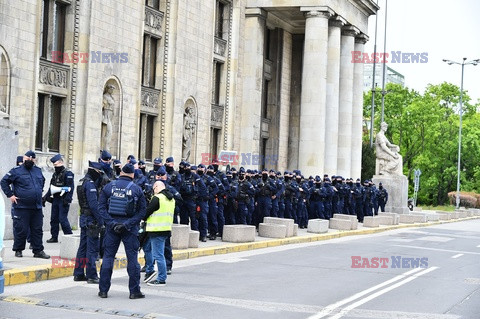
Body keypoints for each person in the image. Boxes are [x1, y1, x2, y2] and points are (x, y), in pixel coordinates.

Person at [97, 163, 146, 299]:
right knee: (132, 259)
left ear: (121, 172)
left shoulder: (109, 187)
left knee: (108, 257)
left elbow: (100, 208)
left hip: (112, 228)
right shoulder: (136, 189)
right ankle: (134, 291)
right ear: (132, 175)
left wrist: (112, 223)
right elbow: (142, 211)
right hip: (129, 228)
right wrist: (127, 224)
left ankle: (103, 290)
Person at [0, 151, 50, 259]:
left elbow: (43, 181)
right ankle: (18, 249)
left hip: (36, 207)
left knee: (37, 229)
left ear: (34, 160)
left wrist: (38, 192)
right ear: (24, 159)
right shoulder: (16, 171)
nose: (30, 161)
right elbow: (4, 182)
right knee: (21, 229)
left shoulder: (37, 170)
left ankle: (38, 251)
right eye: (28, 159)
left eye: (32, 160)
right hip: (21, 206)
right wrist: (10, 195)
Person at [73, 161, 105, 283]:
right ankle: (91, 275)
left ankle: (79, 273)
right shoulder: (90, 184)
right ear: (95, 171)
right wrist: (100, 220)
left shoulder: (81, 181)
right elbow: (94, 205)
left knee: (83, 247)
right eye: (99, 173)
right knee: (92, 248)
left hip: (84, 217)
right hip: (91, 219)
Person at [144, 181, 175, 286]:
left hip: (156, 230)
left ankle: (161, 278)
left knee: (158, 255)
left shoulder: (157, 198)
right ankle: (152, 272)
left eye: (154, 189)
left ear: (156, 187)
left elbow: (147, 212)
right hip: (166, 229)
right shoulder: (171, 199)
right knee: (153, 251)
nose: (153, 191)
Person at [43, 154, 74, 243]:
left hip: (63, 199)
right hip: (56, 199)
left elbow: (70, 187)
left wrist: (67, 199)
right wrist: (46, 197)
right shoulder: (55, 174)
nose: (55, 167)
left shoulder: (68, 173)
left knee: (62, 219)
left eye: (56, 165)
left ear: (61, 162)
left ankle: (69, 237)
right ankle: (54, 236)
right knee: (54, 219)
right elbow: (51, 187)